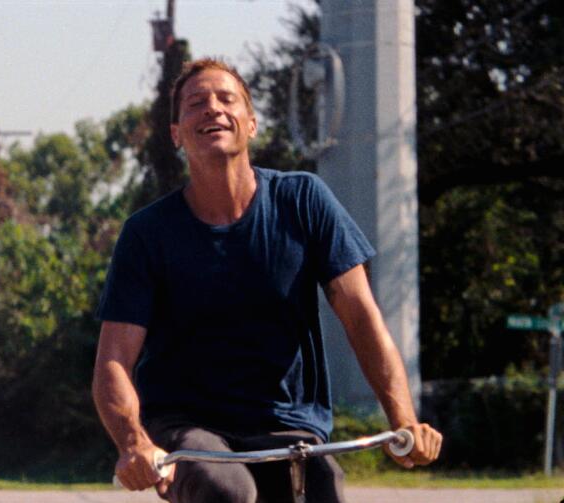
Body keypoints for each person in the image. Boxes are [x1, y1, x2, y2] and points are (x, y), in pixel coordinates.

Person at [92, 58, 442, 502]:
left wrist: (403, 420)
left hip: (288, 422)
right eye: (197, 103)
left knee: (323, 488)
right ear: (177, 134)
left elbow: (361, 318)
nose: (213, 109)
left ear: (252, 124)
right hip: (189, 425)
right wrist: (134, 443)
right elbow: (114, 362)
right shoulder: (147, 234)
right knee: (226, 490)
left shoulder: (305, 200)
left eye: (226, 99)